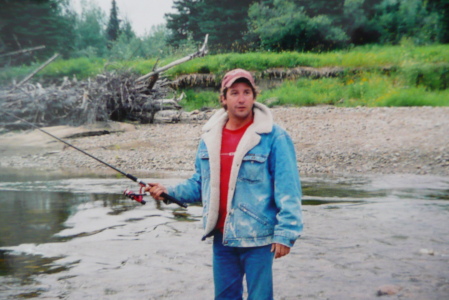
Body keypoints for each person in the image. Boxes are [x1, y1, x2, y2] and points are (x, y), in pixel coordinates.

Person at [147, 68, 303, 300]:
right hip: (222, 237)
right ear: (223, 98)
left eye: (247, 92)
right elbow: (199, 184)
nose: (241, 99)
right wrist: (168, 191)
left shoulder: (274, 137)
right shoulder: (209, 138)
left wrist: (285, 233)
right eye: (234, 93)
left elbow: (288, 189)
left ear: (254, 96)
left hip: (259, 238)